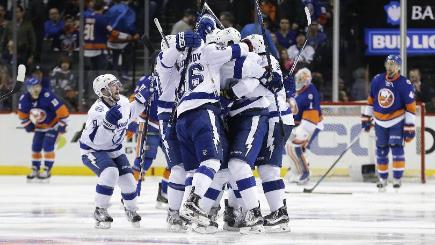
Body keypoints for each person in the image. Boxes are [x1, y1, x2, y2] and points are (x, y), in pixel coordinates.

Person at [173, 15, 250, 227]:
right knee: (212, 162)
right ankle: (194, 203)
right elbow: (237, 51)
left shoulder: (182, 56)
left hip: (181, 115)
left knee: (193, 171)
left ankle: (188, 215)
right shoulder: (209, 49)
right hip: (202, 110)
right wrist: (246, 44)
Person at [79, 73, 149, 229]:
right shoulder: (97, 111)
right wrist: (108, 124)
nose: (117, 87)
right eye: (112, 85)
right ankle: (100, 209)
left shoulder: (123, 102)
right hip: (93, 150)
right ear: (103, 91)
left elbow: (133, 111)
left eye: (116, 83)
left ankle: (131, 210)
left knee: (130, 182)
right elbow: (99, 141)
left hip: (115, 150)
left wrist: (145, 97)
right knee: (110, 172)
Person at [361, 55, 416, 191]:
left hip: (396, 121)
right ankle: (383, 179)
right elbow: (371, 100)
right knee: (381, 150)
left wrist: (409, 127)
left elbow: (411, 107)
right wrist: (366, 118)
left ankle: (397, 179)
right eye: (388, 64)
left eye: (393, 64)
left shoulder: (405, 83)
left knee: (396, 148)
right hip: (380, 122)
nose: (390, 66)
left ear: (398, 67)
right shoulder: (377, 79)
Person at [17, 77, 70, 182]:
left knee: (47, 145)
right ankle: (35, 168)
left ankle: (47, 169)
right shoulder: (24, 99)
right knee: (35, 147)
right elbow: (22, 115)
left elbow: (63, 112)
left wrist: (62, 125)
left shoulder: (48, 95)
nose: (35, 89)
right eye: (32, 87)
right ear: (28, 88)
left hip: (53, 125)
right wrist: (28, 125)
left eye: (37, 86)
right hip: (40, 126)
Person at [286, 68, 323, 185]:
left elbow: (311, 117)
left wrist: (300, 131)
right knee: (289, 146)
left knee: (296, 146)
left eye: (302, 79)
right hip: (302, 124)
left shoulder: (310, 92)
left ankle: (305, 173)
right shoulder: (297, 91)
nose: (299, 80)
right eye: (299, 78)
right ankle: (296, 172)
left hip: (311, 124)